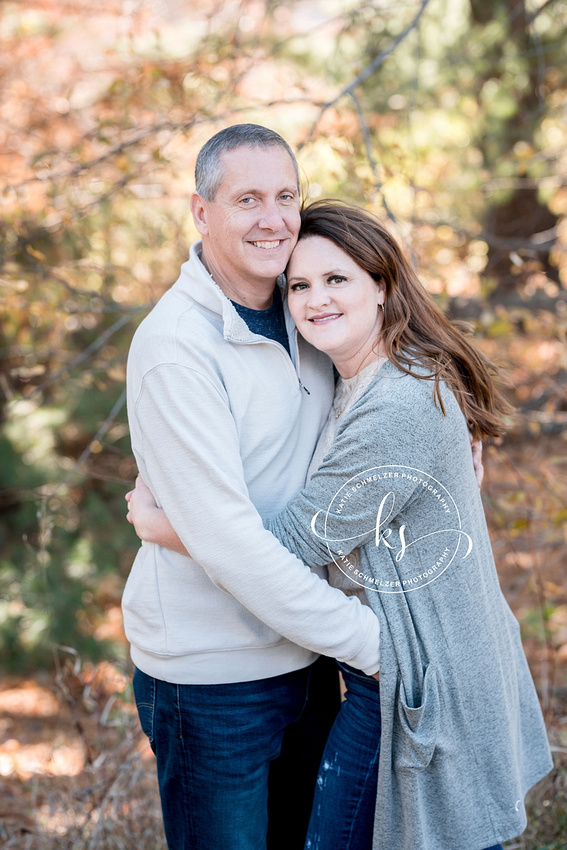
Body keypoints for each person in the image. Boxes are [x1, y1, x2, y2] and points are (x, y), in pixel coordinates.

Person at [127, 200, 553, 850]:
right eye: (298, 285)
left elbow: (294, 545)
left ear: (381, 288)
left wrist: (168, 527)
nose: (314, 299)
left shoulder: (398, 402)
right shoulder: (342, 375)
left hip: (419, 673)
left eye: (336, 280)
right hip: (385, 670)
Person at [122, 124, 388, 850]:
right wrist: (372, 643)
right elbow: (233, 545)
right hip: (214, 680)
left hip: (304, 653)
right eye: (247, 199)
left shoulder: (308, 309)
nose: (272, 219)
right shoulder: (176, 350)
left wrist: (458, 433)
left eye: (285, 196)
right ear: (201, 212)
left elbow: (387, 385)